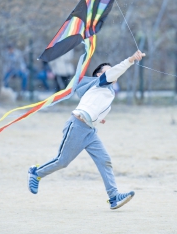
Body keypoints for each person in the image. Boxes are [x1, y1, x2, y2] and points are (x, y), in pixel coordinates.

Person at [27, 50, 146, 210]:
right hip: (76, 125)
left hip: (90, 131)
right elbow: (118, 69)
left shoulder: (108, 92)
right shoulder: (100, 83)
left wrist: (99, 118)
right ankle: (36, 172)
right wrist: (131, 59)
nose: (111, 72)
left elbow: (94, 108)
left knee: (104, 160)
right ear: (98, 75)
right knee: (63, 161)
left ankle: (114, 197)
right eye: (107, 70)